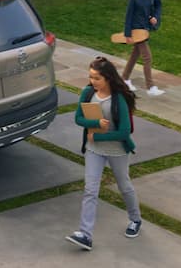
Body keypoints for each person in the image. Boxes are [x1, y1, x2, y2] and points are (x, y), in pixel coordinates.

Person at [67, 56, 142, 251]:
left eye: (97, 78)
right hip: (94, 150)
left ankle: (135, 219)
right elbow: (78, 118)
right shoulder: (87, 92)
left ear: (108, 78)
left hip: (116, 150)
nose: (92, 81)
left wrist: (99, 136)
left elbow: (124, 132)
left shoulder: (119, 100)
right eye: (91, 77)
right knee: (90, 189)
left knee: (124, 186)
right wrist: (95, 124)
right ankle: (85, 234)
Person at [122, 0, 164, 97]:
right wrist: (127, 34)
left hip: (146, 29)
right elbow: (128, 16)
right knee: (147, 57)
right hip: (136, 30)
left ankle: (124, 79)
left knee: (135, 55)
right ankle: (150, 87)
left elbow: (158, 5)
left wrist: (155, 17)